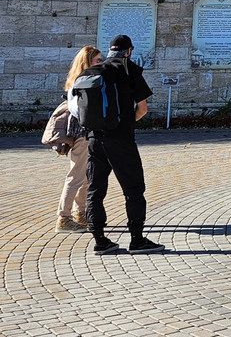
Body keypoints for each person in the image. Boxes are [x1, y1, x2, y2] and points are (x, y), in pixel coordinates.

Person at [84, 34, 163, 255]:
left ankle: (100, 240)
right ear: (129, 51)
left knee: (95, 190)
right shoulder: (129, 69)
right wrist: (126, 123)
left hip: (94, 137)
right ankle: (137, 239)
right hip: (120, 139)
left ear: (110, 50)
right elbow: (142, 109)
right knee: (133, 189)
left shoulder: (93, 70)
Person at [56, 46, 100, 233]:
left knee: (85, 176)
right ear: (88, 61)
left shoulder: (84, 80)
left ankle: (79, 213)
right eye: (98, 60)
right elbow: (76, 109)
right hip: (82, 132)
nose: (101, 63)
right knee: (75, 176)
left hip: (86, 132)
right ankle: (63, 218)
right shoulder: (81, 82)